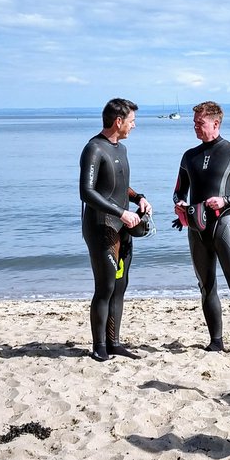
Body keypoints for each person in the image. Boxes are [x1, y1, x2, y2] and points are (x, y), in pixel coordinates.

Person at [172, 101, 230, 359]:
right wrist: (179, 204)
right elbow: (179, 190)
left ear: (215, 123)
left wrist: (226, 200)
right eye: (194, 123)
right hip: (197, 228)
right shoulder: (189, 156)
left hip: (224, 226)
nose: (195, 128)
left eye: (199, 123)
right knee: (206, 286)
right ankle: (215, 342)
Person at [79, 98, 152, 362]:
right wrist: (121, 212)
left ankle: (114, 342)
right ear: (118, 121)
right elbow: (87, 192)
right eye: (131, 121)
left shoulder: (121, 149)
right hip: (102, 228)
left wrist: (138, 198)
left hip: (123, 228)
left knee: (120, 286)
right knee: (105, 286)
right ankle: (99, 345)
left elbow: (120, 187)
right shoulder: (94, 149)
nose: (134, 126)